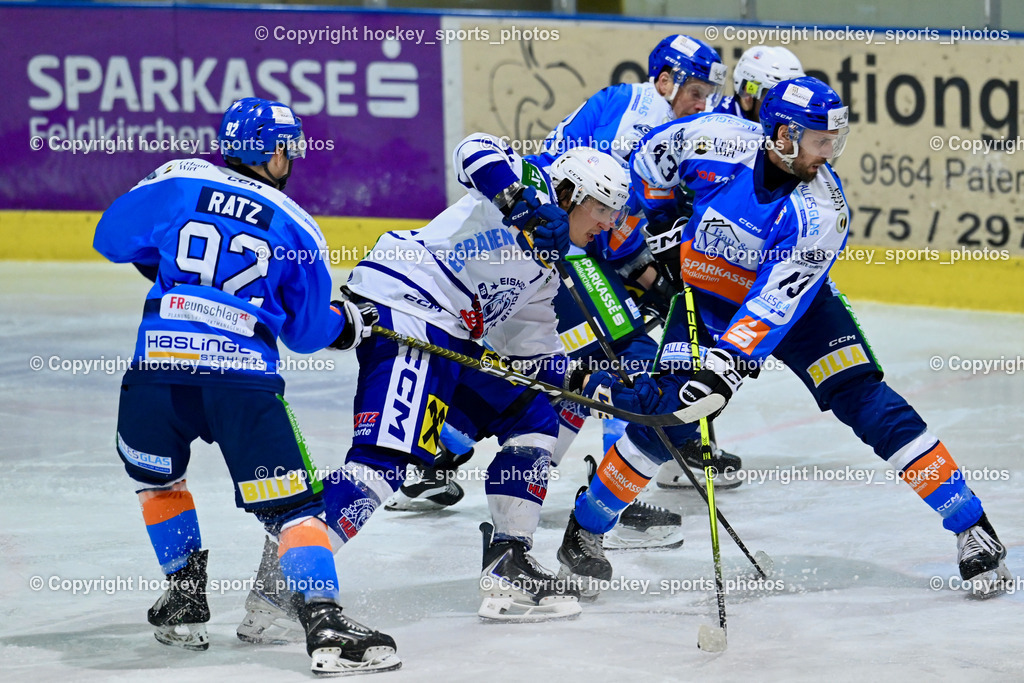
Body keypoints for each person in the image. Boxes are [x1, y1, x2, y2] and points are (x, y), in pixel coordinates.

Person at [557, 76, 1011, 599]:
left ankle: (972, 525)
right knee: (670, 419)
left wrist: (722, 368)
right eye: (820, 141)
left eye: (833, 141)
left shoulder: (823, 210)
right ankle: (587, 528)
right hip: (704, 298)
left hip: (799, 309)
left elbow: (773, 306)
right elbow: (648, 165)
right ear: (783, 135)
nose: (829, 153)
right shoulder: (710, 139)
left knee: (865, 400)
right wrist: (659, 220)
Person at [234, 139, 658, 639]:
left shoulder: (548, 269)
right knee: (380, 465)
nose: (609, 223)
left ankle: (509, 561)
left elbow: (531, 359)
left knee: (532, 411)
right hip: (409, 309)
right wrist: (518, 203)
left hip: (447, 333)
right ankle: (285, 582)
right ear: (571, 193)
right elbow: (473, 150)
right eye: (603, 208)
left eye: (616, 212)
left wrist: (594, 385)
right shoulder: (531, 183)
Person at [93, 97, 398, 675]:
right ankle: (325, 622)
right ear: (273, 151)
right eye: (289, 149)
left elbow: (111, 239)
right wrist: (348, 325)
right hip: (242, 383)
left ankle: (184, 596)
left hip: (157, 375)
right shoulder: (294, 222)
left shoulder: (179, 178)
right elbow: (308, 332)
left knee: (159, 480)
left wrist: (164, 262)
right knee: (296, 512)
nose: (293, 161)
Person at [387, 35, 740, 530]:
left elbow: (611, 217)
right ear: (665, 81)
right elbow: (604, 210)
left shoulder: (652, 115)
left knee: (564, 369)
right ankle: (609, 488)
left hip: (565, 253)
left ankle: (438, 457)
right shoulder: (641, 111)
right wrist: (646, 271)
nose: (702, 103)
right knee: (626, 355)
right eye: (696, 91)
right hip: (563, 253)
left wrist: (642, 269)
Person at [713, 45, 804, 122]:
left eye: (791, 98)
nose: (786, 108)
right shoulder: (711, 119)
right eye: (774, 98)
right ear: (747, 93)